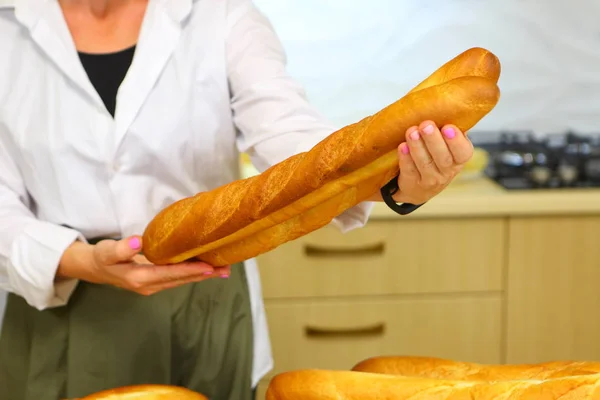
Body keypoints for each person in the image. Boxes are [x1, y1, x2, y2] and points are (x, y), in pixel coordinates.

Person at [0, 0, 474, 399]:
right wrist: (79, 260)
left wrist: (397, 184)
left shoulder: (219, 13)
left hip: (206, 296)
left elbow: (296, 147)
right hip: (60, 300)